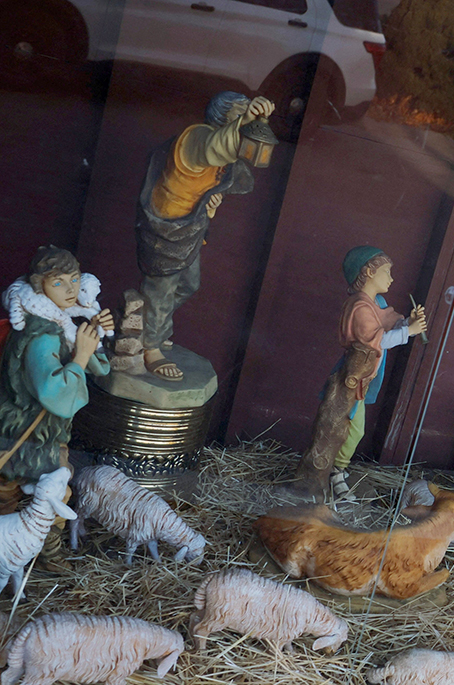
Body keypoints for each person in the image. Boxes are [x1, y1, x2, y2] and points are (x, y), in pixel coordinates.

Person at [136, 91, 274, 381]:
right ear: (221, 118)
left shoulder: (227, 152)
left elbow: (218, 176)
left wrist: (211, 203)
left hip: (192, 226)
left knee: (189, 284)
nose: (245, 124)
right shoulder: (197, 137)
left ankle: (143, 321)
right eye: (239, 115)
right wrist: (247, 119)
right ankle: (149, 347)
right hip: (167, 227)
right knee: (162, 287)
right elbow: (214, 148)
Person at [0, 246, 113, 563]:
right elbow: (54, 393)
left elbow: (100, 367)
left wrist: (96, 332)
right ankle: (30, 554)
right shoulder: (43, 335)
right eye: (59, 282)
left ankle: (46, 552)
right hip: (22, 430)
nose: (71, 289)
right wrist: (81, 354)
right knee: (11, 490)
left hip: (42, 431)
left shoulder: (63, 319)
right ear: (39, 286)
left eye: (75, 279)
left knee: (51, 490)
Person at [303, 246, 426, 500]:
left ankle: (336, 470)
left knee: (351, 426)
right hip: (352, 379)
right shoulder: (359, 307)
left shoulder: (375, 303)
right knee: (350, 428)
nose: (391, 278)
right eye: (386, 272)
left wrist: (407, 323)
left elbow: (387, 323)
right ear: (369, 272)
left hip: (366, 377)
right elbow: (377, 340)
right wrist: (409, 332)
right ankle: (335, 471)